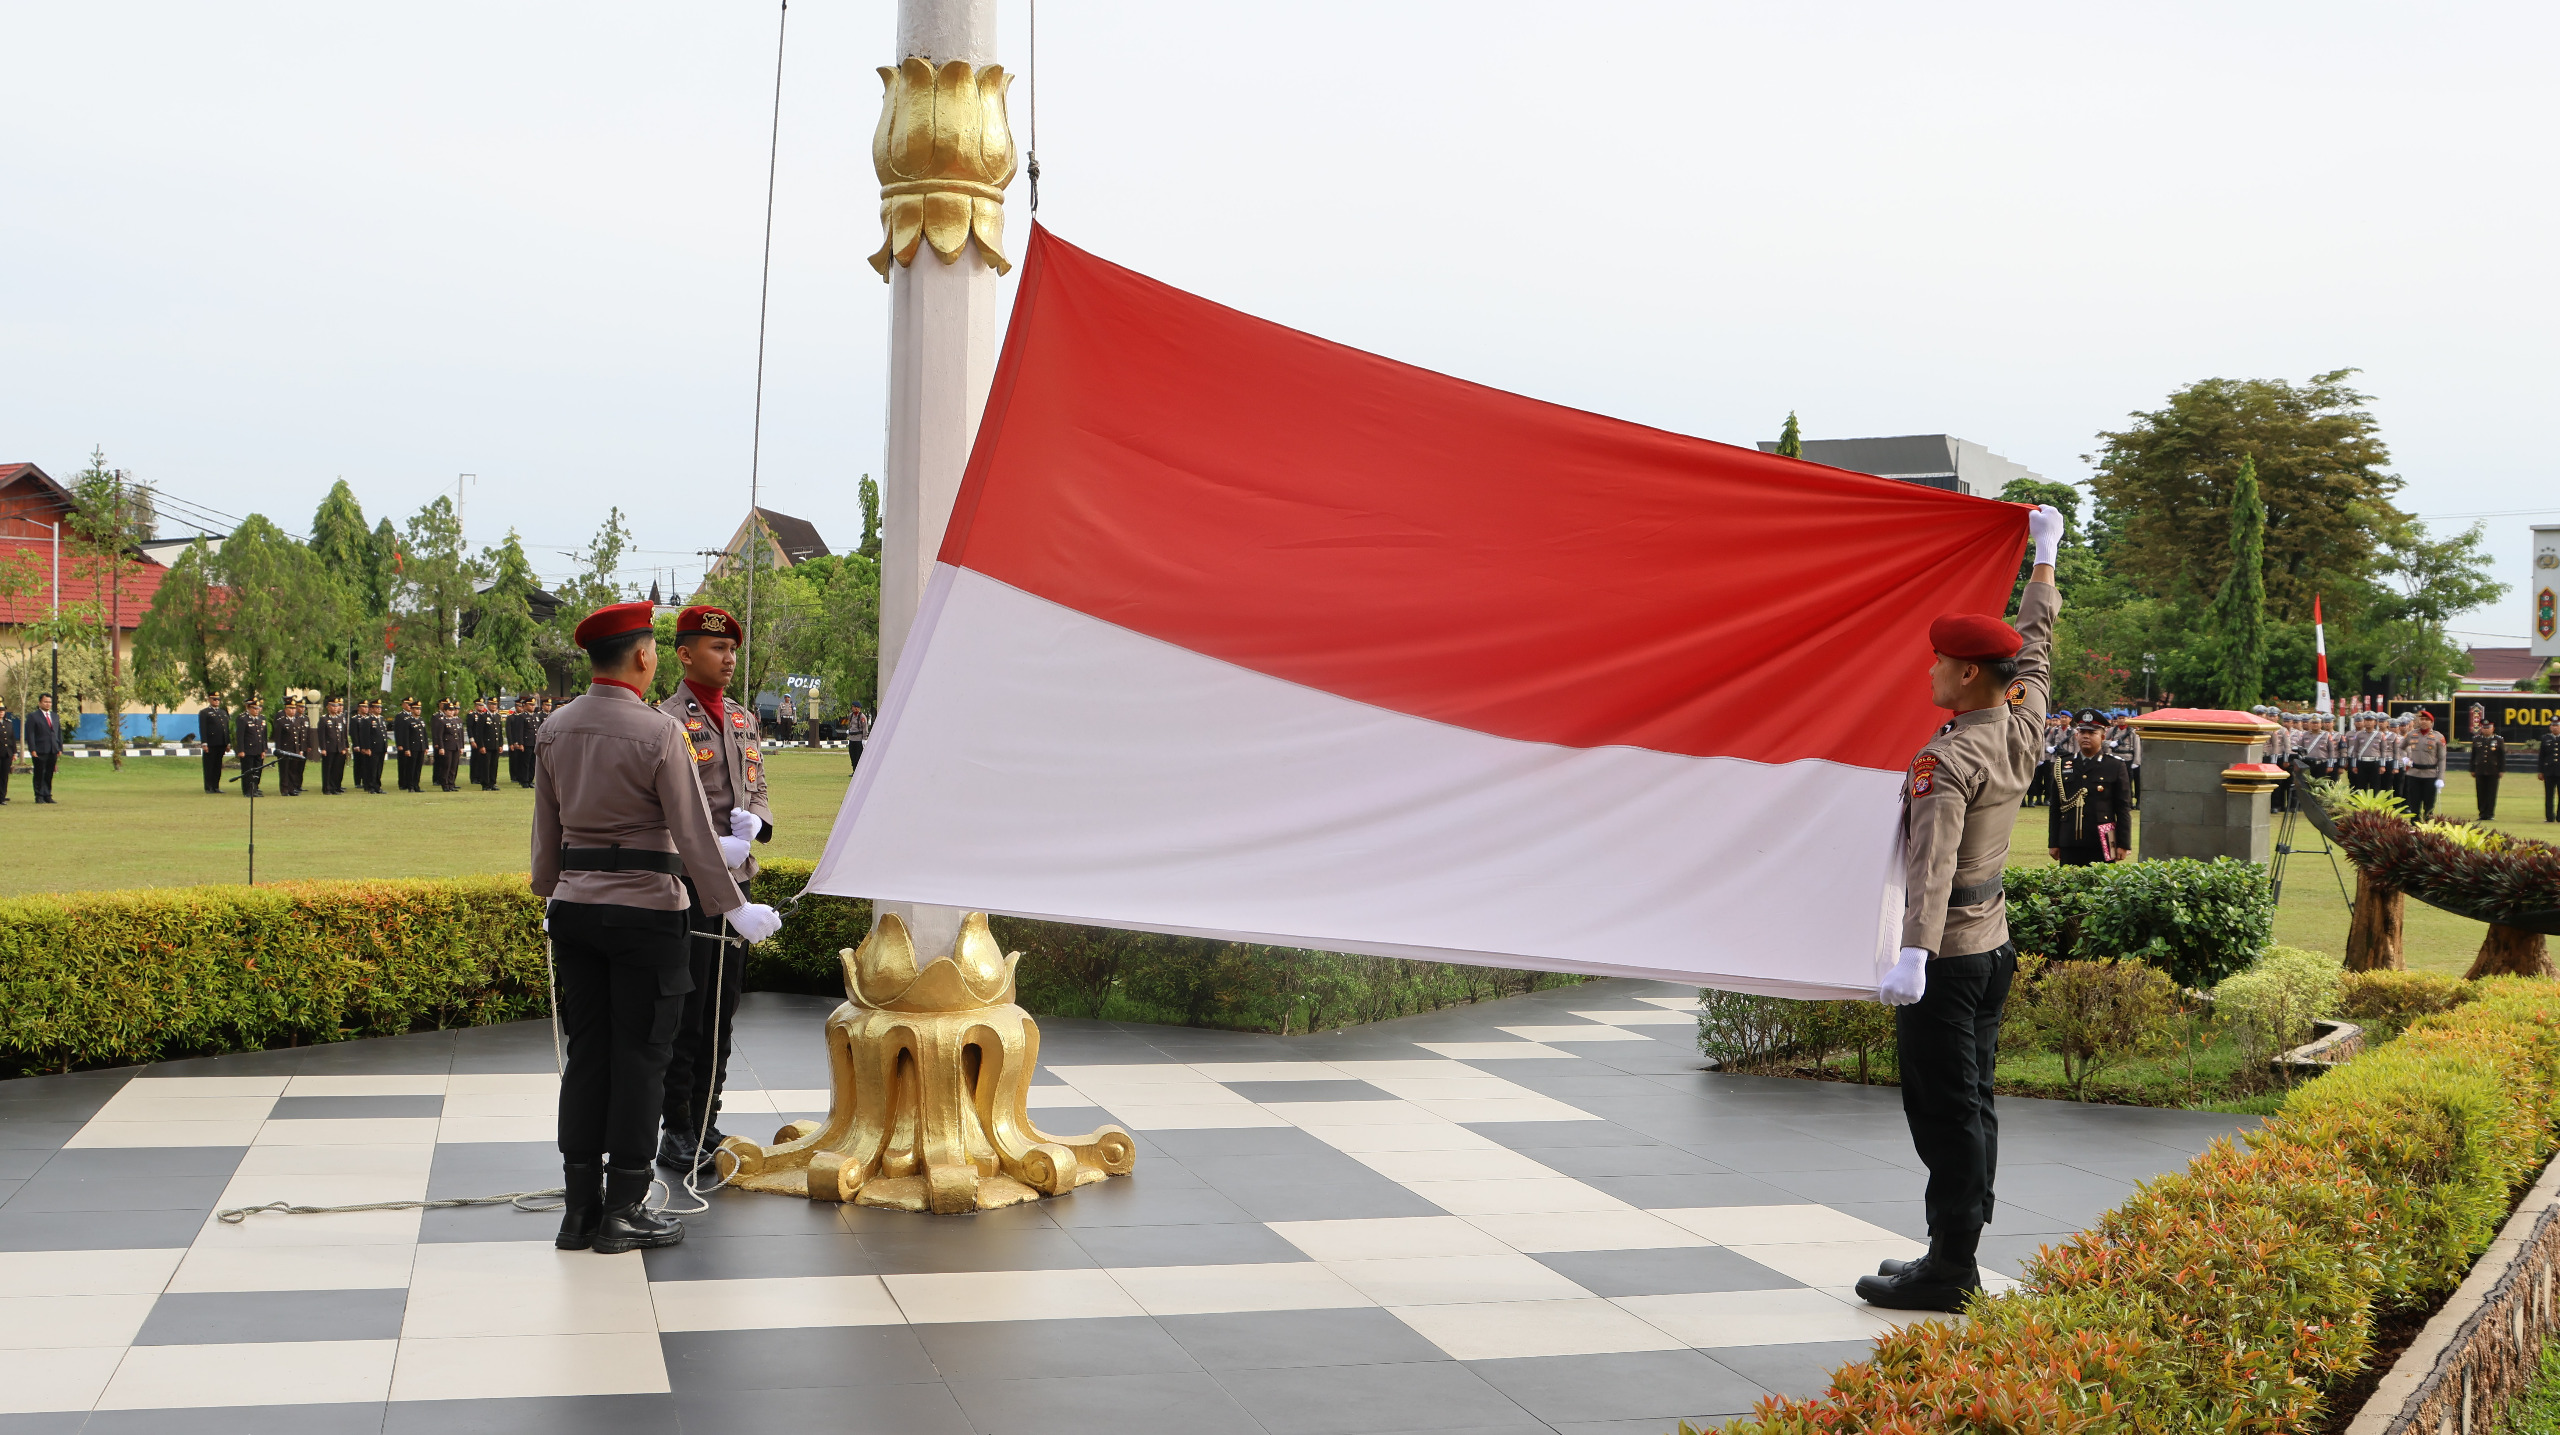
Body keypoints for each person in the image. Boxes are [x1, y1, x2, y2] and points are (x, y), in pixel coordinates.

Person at [1858, 503, 2064, 1315]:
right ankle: (1956, 1249)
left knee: (1943, 1109)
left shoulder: (1945, 759)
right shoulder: (2021, 721)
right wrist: (2042, 558)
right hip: (1993, 948)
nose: (1932, 671)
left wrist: (1912, 952)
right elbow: (2037, 644)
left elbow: (1931, 862)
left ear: (1970, 676)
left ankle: (1951, 1268)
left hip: (1945, 955)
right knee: (1973, 1099)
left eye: (1941, 661)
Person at [532, 600, 783, 1254]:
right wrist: (735, 907)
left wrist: (550, 893)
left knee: (587, 1056)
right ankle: (624, 1207)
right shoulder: (659, 731)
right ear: (646, 657)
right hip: (645, 910)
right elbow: (697, 838)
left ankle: (579, 1208)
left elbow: (544, 838)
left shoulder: (554, 728)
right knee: (643, 1058)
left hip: (575, 909)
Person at [655, 605, 775, 1177]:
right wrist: (710, 843)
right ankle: (676, 1126)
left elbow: (757, 784)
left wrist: (757, 822)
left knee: (723, 1009)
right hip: (690, 884)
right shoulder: (665, 721)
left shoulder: (742, 718)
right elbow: (668, 805)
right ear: (684, 654)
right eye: (716, 649)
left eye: (732, 650)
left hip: (741, 885)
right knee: (688, 1009)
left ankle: (707, 1117)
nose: (729, 659)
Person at [2048, 710, 2133, 866]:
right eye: (2082, 732)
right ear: (2076, 735)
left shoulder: (2114, 765)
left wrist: (2123, 844)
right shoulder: (2063, 764)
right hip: (2069, 840)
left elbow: (2122, 808)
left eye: (2091, 733)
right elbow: (2055, 807)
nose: (2086, 736)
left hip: (2102, 840)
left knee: (2101, 888)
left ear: (2102, 737)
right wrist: (2053, 842)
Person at [26, 694, 62, 804]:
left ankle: (47, 795)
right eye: (45, 702)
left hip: (53, 749)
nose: (48, 704)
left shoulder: (54, 716)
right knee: (39, 773)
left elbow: (58, 732)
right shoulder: (33, 716)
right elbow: (30, 734)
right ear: (40, 703)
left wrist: (59, 747)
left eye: (49, 702)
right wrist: (32, 749)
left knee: (49, 773)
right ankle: (39, 795)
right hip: (40, 749)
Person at [2472, 715, 2507, 822]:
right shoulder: (2477, 740)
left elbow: (2502, 756)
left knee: (2491, 793)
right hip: (2480, 770)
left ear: (2493, 728)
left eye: (2488, 727)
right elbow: (2473, 756)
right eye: (2484, 727)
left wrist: (2501, 770)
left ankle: (2490, 814)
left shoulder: (2498, 740)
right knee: (2480, 793)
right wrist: (2472, 769)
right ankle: (2482, 813)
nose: (2486, 729)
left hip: (2493, 770)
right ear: (2481, 728)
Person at [274, 699, 310, 797]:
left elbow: (299, 738)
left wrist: (301, 750)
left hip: (295, 750)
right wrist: (279, 751)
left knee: (293, 771)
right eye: (290, 708)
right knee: (284, 771)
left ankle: (292, 788)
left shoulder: (298, 720)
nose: (293, 710)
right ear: (285, 709)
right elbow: (278, 738)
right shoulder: (281, 721)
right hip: (285, 750)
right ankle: (284, 789)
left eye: (294, 708)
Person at [236, 695, 268, 798]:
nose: (256, 710)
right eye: (254, 708)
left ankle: (255, 788)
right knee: (248, 770)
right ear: (248, 708)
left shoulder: (260, 719)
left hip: (258, 749)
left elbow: (263, 736)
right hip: (248, 750)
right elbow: (240, 736)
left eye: (258, 708)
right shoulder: (243, 719)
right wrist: (241, 750)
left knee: (257, 770)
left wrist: (263, 749)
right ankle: (247, 790)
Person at [198, 695, 231, 795]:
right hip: (211, 743)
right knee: (209, 766)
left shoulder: (223, 712)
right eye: (214, 699)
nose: (217, 701)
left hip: (221, 743)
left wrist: (228, 742)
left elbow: (226, 729)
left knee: (217, 766)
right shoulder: (205, 712)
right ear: (209, 700)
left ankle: (216, 786)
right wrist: (204, 743)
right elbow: (203, 728)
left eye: (218, 699)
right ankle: (209, 787)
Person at [393, 698, 426, 793]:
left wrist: (425, 746)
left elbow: (424, 735)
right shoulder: (407, 720)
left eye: (419, 709)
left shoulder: (421, 720)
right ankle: (410, 785)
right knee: (411, 767)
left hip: (420, 747)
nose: (418, 711)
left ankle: (416, 785)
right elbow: (405, 736)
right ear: (412, 710)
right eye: (416, 709)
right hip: (412, 747)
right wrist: (406, 748)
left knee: (418, 767)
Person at [318, 698, 350, 795]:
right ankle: (327, 788)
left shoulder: (339, 718)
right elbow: (321, 735)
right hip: (329, 748)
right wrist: (323, 748)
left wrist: (345, 746)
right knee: (328, 769)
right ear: (328, 707)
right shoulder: (324, 719)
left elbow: (343, 734)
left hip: (339, 748)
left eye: (336, 706)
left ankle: (335, 787)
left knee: (337, 769)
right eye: (333, 706)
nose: (335, 708)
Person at [352, 699, 385, 794]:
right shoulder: (367, 720)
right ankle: (371, 787)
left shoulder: (381, 719)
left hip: (380, 747)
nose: (379, 709)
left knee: (379, 768)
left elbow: (383, 735)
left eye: (380, 707)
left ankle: (377, 786)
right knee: (371, 769)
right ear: (371, 709)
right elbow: (365, 735)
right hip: (372, 748)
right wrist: (366, 748)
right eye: (377, 707)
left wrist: (385, 747)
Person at [432, 699, 464, 792]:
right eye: (449, 710)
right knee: (446, 766)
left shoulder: (457, 721)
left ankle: (451, 783)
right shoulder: (442, 721)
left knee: (454, 766)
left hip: (456, 746)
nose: (451, 712)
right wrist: (441, 747)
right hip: (447, 746)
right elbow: (440, 736)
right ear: (445, 711)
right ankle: (445, 784)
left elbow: (460, 735)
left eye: (452, 710)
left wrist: (461, 746)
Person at [507, 695, 537, 788]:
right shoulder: (522, 716)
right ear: (525, 705)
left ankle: (530, 779)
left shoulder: (536, 716)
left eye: (533, 705)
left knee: (533, 762)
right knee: (525, 762)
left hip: (534, 742)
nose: (532, 706)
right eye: (530, 705)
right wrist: (520, 743)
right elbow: (519, 731)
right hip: (526, 743)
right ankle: (524, 780)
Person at [2542, 720, 2560, 823]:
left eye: (2557, 726)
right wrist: (2541, 771)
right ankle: (2549, 817)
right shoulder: (2546, 738)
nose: (2555, 728)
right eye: (2553, 726)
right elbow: (2542, 756)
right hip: (2549, 771)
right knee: (2549, 795)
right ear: (2550, 727)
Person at [845, 703, 871, 773]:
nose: (852, 708)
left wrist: (864, 738)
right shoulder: (851, 716)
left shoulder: (862, 716)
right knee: (852, 755)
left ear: (858, 708)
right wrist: (849, 731)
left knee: (858, 756)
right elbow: (850, 725)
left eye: (853, 707)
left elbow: (865, 728)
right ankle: (854, 770)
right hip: (852, 738)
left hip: (858, 739)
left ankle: (858, 772)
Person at [0, 698, 16, 805]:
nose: (1, 712)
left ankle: (2, 796)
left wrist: (14, 752)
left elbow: (11, 739)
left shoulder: (8, 723)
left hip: (6, 754)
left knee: (4, 776)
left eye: (3, 710)